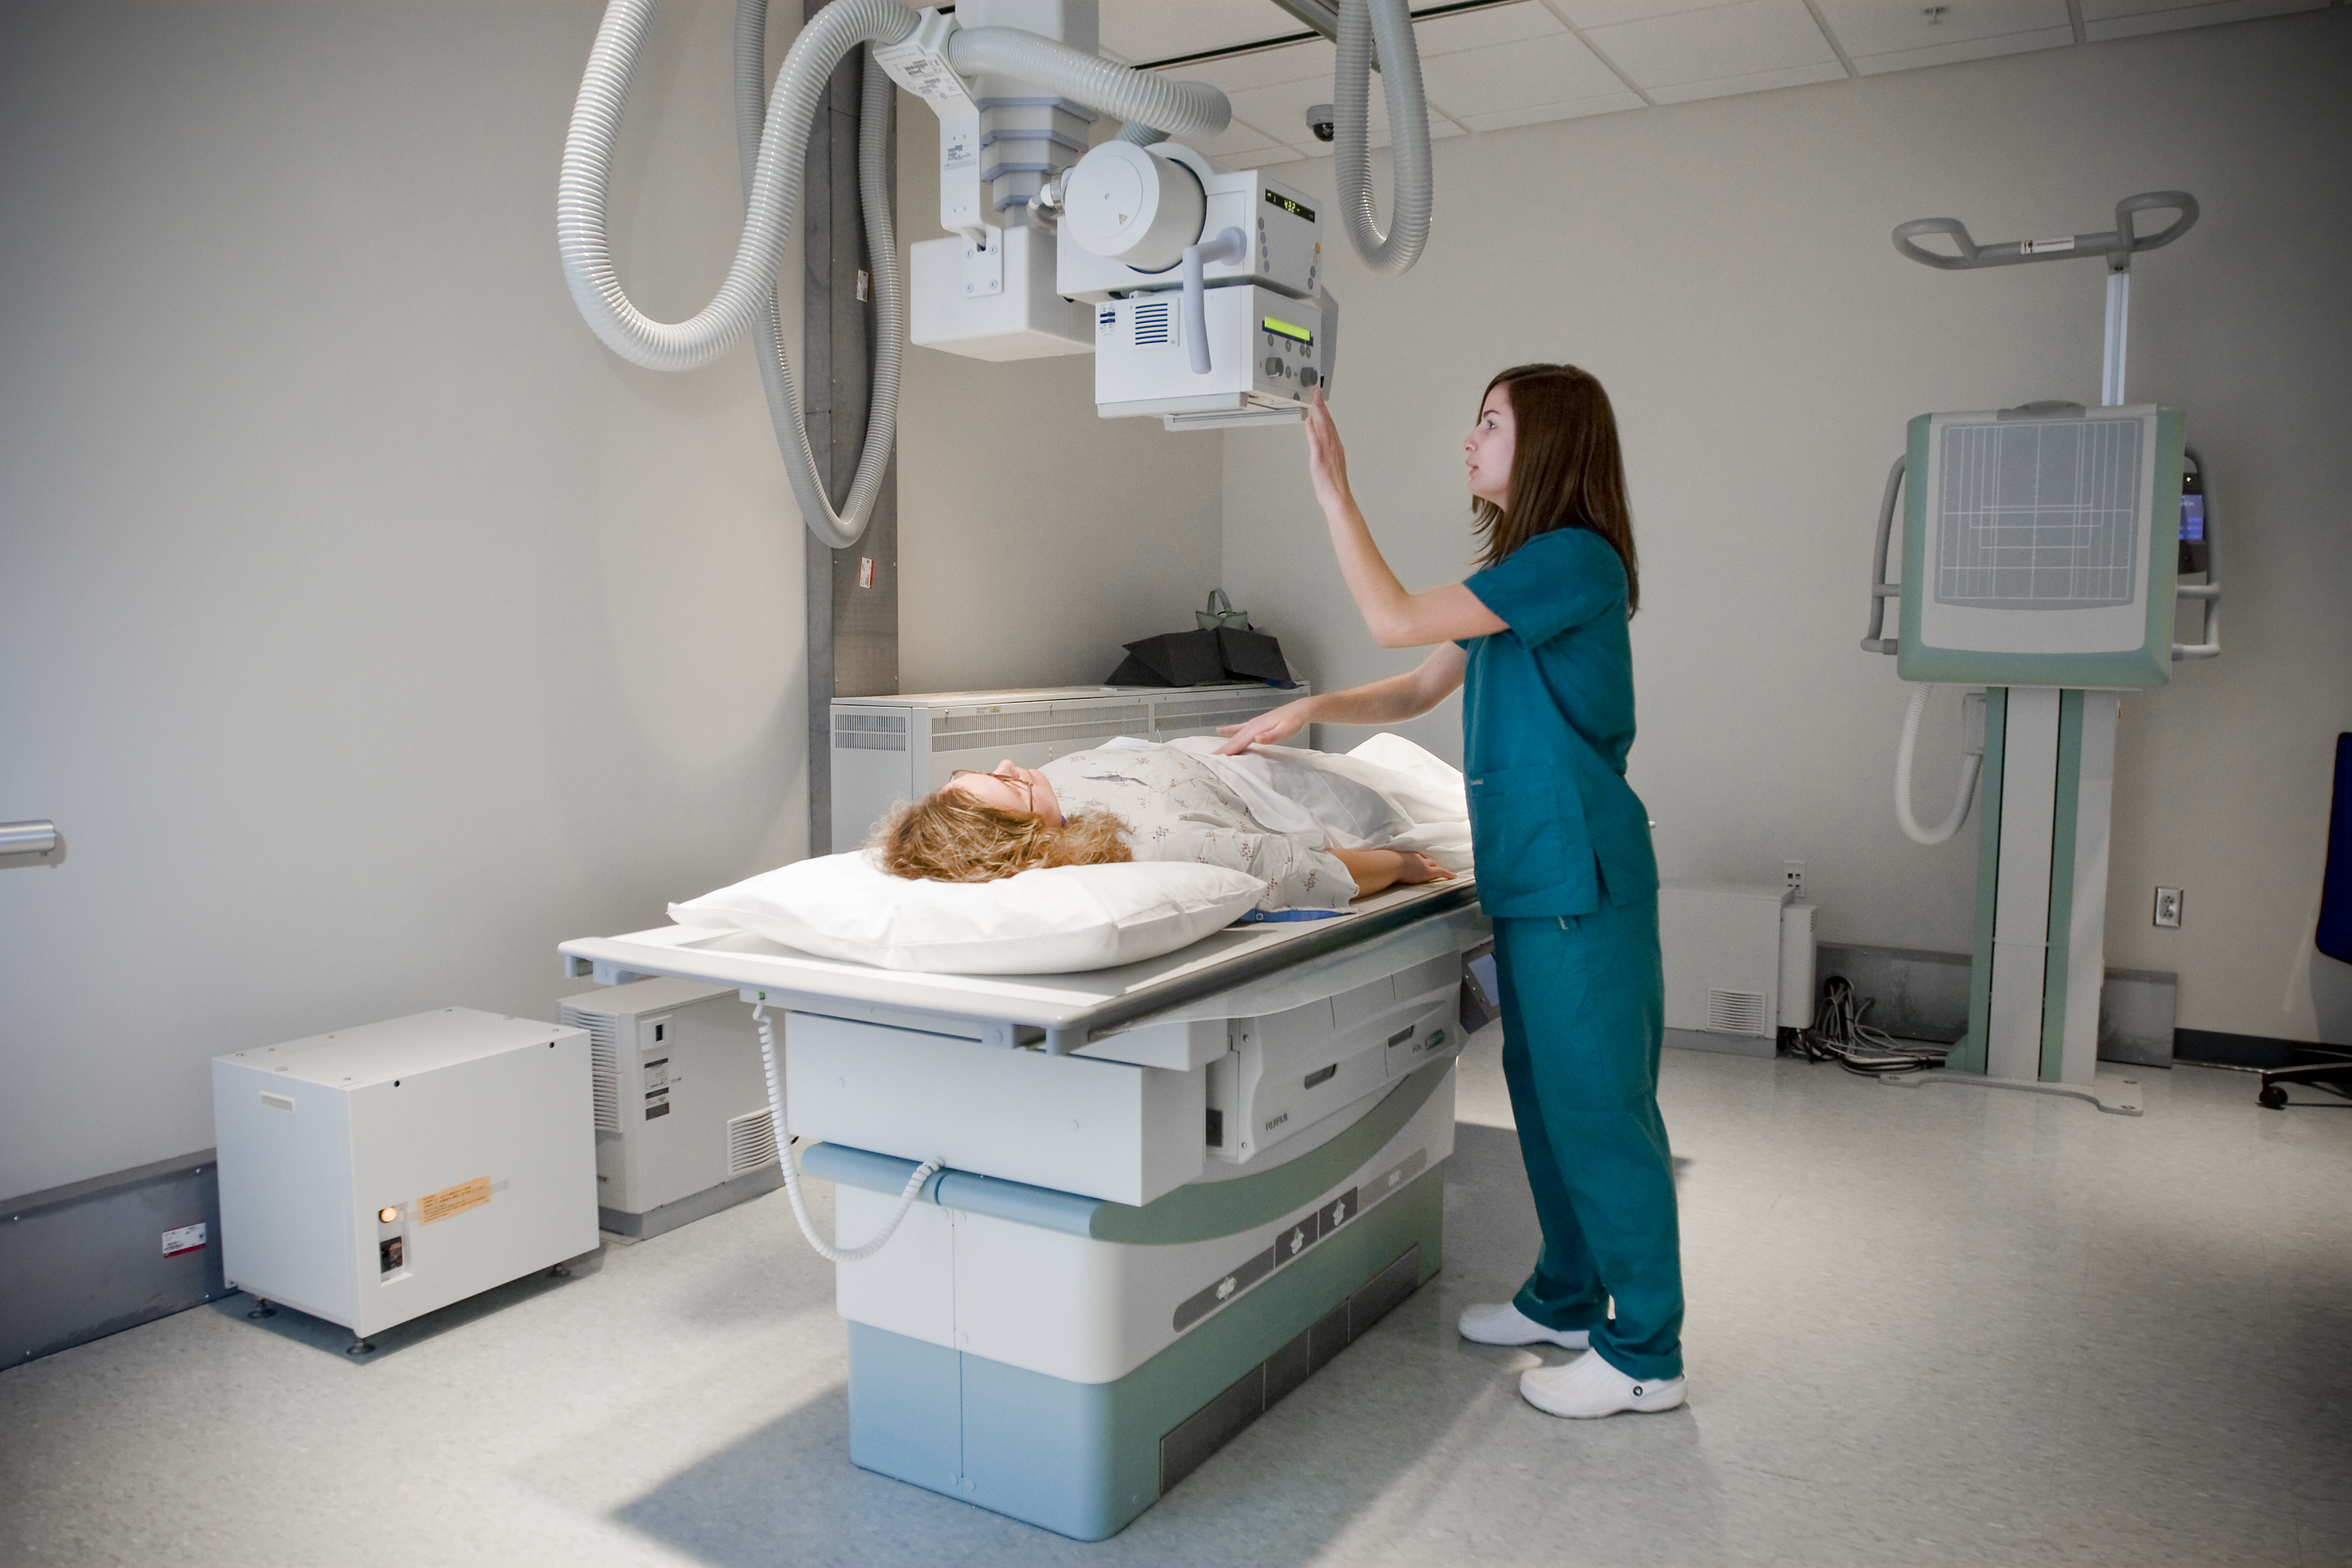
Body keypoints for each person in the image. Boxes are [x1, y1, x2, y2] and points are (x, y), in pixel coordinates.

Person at [1213, 367, 1685, 1420]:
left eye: (1489, 423)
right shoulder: (1522, 574)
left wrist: (1334, 487)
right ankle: (1568, 1297)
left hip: (1581, 884)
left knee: (1601, 1114)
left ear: (1550, 443)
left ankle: (1646, 1353)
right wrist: (1312, 710)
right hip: (1532, 881)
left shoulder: (1572, 561)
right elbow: (1419, 682)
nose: (1468, 442)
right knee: (1546, 1101)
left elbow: (1387, 620)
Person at [872, 738, 1461, 908]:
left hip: (1241, 757)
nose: (1009, 765)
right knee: (1445, 800)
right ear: (1024, 839)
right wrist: (1403, 865)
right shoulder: (1171, 849)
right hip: (1314, 797)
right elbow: (1313, 871)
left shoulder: (1059, 798)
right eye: (1007, 784)